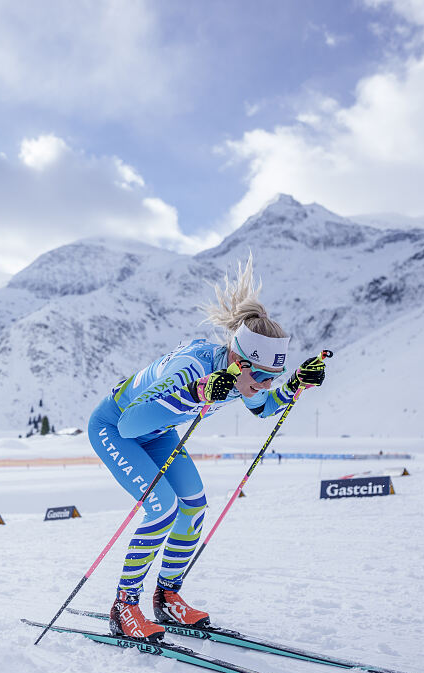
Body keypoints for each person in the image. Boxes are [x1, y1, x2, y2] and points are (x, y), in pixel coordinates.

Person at [87, 257, 326, 641]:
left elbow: (263, 408)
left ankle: (166, 598)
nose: (265, 384)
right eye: (261, 375)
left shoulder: (238, 377)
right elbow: (131, 423)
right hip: (115, 428)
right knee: (162, 507)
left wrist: (296, 383)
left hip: (158, 430)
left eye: (273, 376)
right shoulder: (190, 367)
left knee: (194, 505)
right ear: (237, 358)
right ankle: (123, 606)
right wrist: (194, 392)